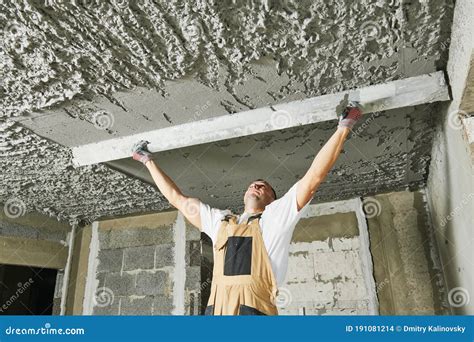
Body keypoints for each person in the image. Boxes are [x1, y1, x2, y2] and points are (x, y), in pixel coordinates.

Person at [132, 103, 362, 315]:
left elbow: (313, 178)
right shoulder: (220, 222)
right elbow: (177, 199)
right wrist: (147, 161)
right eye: (253, 184)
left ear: (272, 201)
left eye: (264, 187)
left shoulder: (274, 218)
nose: (256, 185)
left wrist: (344, 127)